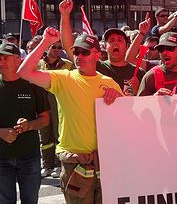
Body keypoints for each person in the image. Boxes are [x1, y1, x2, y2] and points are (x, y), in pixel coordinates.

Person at [18, 28, 123, 204]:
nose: (79, 56)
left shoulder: (109, 83)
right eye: (76, 51)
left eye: (85, 52)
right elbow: (24, 72)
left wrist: (120, 100)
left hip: (105, 162)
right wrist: (45, 42)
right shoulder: (64, 78)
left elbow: (126, 119)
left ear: (98, 55)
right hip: (75, 162)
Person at [59, 0, 146, 95]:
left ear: (127, 46)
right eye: (111, 40)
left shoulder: (139, 72)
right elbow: (69, 47)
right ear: (105, 46)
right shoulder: (95, 66)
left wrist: (138, 91)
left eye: (120, 40)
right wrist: (65, 15)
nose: (115, 43)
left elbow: (147, 102)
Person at [0, 42, 50, 204]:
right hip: (1, 157)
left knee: (30, 200)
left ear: (18, 60)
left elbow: (45, 119)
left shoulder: (33, 83)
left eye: (5, 58)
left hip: (29, 156)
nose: (1, 62)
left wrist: (29, 125)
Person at [37, 40, 73, 179]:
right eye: (54, 47)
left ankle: (59, 165)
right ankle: (47, 165)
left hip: (60, 104)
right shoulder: (39, 64)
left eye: (59, 47)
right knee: (45, 137)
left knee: (59, 134)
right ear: (47, 48)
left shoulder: (67, 65)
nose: (57, 49)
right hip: (42, 105)